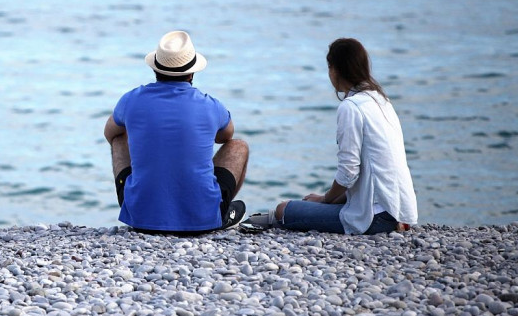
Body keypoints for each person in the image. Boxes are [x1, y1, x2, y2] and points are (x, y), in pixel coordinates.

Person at [243, 38, 418, 234]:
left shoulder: (351, 107)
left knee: (283, 209)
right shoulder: (381, 101)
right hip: (401, 212)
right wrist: (329, 200)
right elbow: (370, 173)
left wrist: (325, 199)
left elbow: (349, 173)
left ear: (335, 69)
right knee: (316, 205)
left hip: (375, 217)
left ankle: (273, 220)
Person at [104, 30, 249, 234]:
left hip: (140, 219)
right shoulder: (211, 105)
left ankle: (145, 203)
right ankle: (219, 213)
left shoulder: (131, 100)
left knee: (119, 136)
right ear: (191, 73)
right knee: (238, 146)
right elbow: (226, 137)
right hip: (202, 221)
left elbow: (109, 133)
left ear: (156, 69)